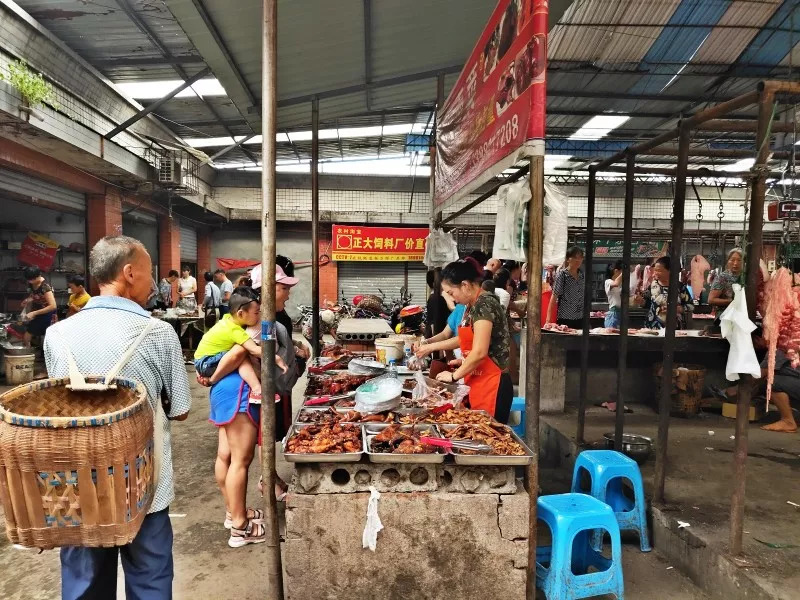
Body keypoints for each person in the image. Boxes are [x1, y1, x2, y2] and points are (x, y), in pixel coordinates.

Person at [43, 235, 191, 599]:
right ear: (128, 273)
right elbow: (181, 409)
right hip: (144, 491)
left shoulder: (56, 335)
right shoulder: (158, 333)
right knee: (150, 585)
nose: (154, 282)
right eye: (150, 273)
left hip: (77, 489)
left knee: (84, 588)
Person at [417, 259, 513, 423]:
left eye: (451, 293)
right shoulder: (472, 305)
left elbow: (480, 352)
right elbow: (466, 338)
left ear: (465, 285)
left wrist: (453, 376)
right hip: (477, 379)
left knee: (488, 439)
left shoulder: (485, 305)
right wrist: (461, 360)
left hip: (492, 384)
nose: (451, 298)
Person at [194, 288, 279, 403]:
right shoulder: (236, 331)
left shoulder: (227, 320)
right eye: (256, 312)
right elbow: (254, 350)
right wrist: (275, 357)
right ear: (240, 313)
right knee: (241, 354)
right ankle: (257, 389)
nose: (259, 314)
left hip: (201, 360)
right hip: (206, 362)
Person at [640, 256, 691, 330]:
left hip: (674, 329)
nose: (655, 273)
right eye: (655, 270)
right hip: (652, 328)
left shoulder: (680, 287)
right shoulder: (652, 286)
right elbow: (647, 303)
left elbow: (690, 306)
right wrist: (641, 301)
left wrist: (678, 309)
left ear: (670, 271)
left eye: (659, 271)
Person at [547, 246, 585, 329]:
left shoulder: (582, 275)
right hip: (566, 318)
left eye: (580, 257)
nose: (578, 260)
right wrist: (548, 321)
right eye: (575, 257)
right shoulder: (562, 275)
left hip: (580, 318)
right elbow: (554, 296)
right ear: (568, 259)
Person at [21, 266, 57, 346]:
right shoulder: (31, 283)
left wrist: (34, 313)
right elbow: (33, 295)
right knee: (31, 334)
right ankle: (32, 351)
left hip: (47, 314)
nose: (30, 281)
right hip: (37, 313)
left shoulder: (45, 287)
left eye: (32, 279)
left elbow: (53, 306)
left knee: (29, 335)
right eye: (29, 280)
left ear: (39, 276)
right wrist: (27, 300)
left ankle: (30, 353)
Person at [708, 248, 744, 314]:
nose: (735, 263)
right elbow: (711, 300)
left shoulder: (745, 277)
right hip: (724, 316)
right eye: (732, 260)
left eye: (739, 260)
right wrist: (731, 301)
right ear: (728, 261)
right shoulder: (722, 278)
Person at [604, 260, 624, 329]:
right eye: (621, 271)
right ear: (616, 271)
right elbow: (615, 284)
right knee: (612, 336)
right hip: (613, 314)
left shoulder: (620, 283)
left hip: (620, 312)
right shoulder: (608, 281)